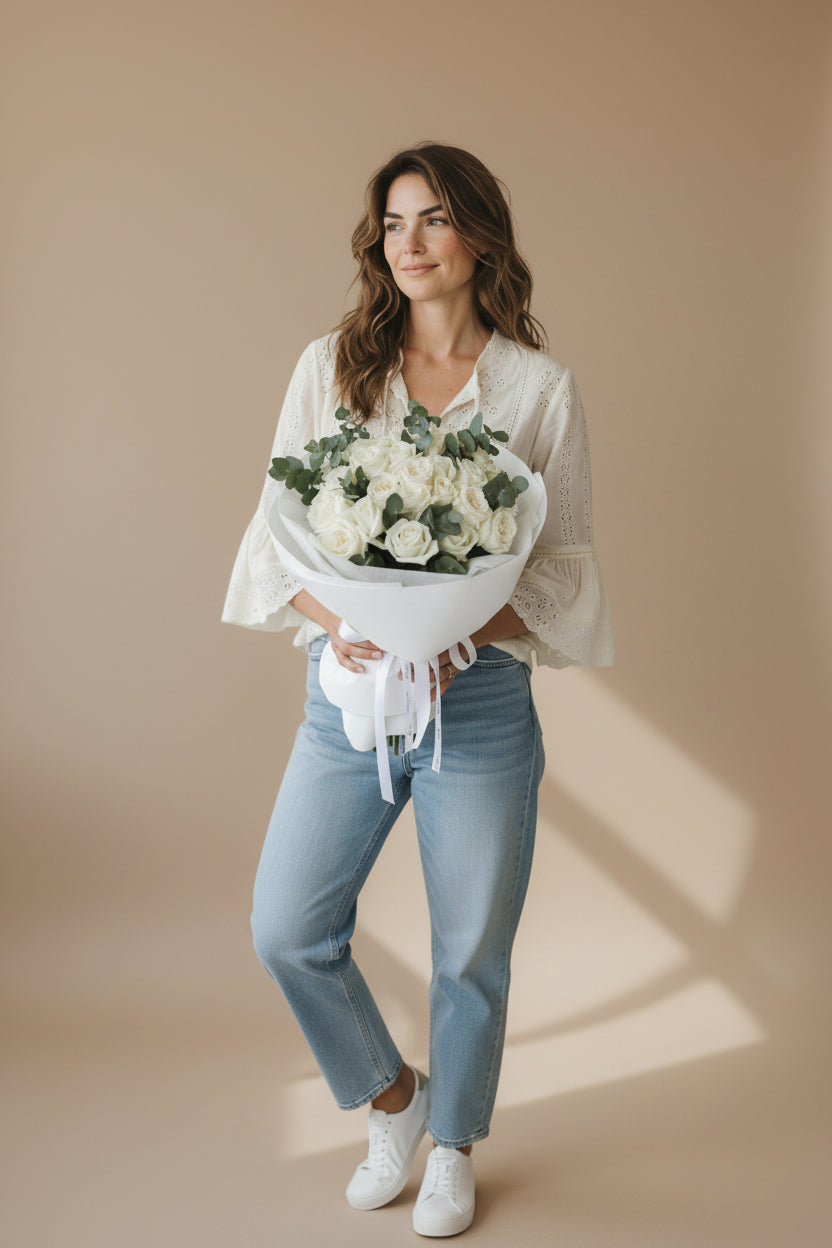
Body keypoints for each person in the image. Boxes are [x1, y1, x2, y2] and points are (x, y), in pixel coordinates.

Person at [222, 141, 612, 1237]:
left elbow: (559, 566)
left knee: (469, 948)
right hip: (346, 704)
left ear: (478, 234)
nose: (410, 244)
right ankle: (394, 1100)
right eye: (394, 224)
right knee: (286, 927)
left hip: (478, 706)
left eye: (433, 220)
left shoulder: (539, 391)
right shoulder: (331, 366)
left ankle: (454, 1149)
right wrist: (351, 631)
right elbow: (281, 541)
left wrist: (449, 635)